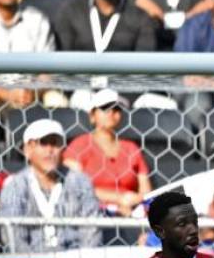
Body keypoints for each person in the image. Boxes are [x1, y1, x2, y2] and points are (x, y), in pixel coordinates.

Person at [0, 120, 102, 252]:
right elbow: (13, 238)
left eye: (55, 143)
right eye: (43, 143)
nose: (50, 150)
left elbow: (92, 231)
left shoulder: (80, 182)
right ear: (27, 149)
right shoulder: (15, 186)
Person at [64, 89, 153, 217]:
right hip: (92, 214)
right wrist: (118, 199)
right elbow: (74, 187)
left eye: (116, 108)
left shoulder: (131, 148)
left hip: (131, 214)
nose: (111, 112)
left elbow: (146, 191)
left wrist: (135, 202)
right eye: (105, 108)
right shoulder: (79, 146)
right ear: (92, 115)